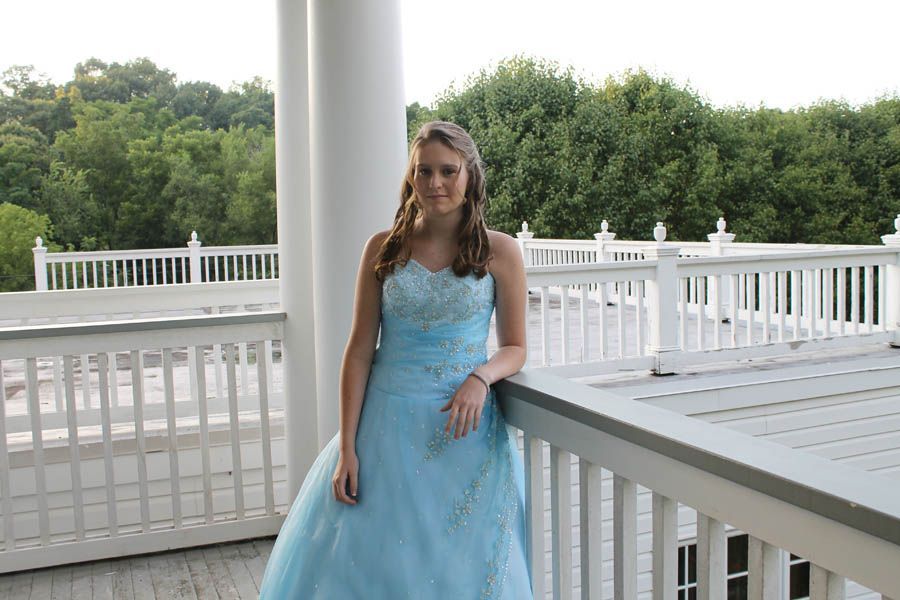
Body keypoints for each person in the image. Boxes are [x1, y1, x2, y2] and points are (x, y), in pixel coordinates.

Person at [259, 121, 533, 599]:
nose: (435, 183)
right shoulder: (383, 248)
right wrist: (347, 447)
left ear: (470, 176)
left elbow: (515, 347)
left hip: (462, 433)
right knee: (373, 565)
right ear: (411, 177)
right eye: (423, 171)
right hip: (385, 429)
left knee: (461, 566)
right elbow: (360, 350)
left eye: (448, 171)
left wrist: (481, 376)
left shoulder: (500, 251)